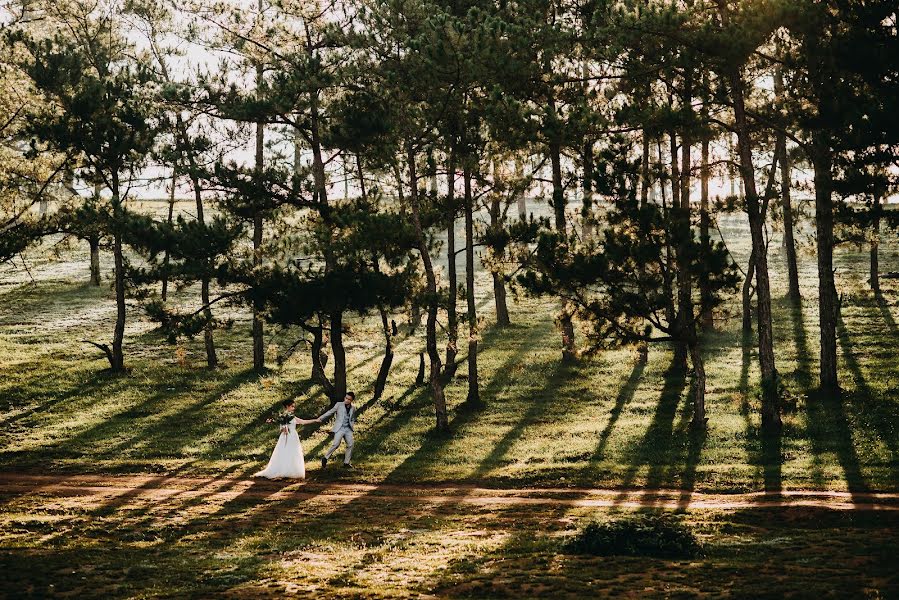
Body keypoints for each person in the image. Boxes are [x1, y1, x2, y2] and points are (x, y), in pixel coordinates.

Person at [254, 399, 317, 479]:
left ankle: (294, 470)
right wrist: (284, 427)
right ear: (287, 406)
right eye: (292, 406)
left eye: (294, 407)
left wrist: (315, 420)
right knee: (285, 451)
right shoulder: (283, 417)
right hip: (286, 436)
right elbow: (281, 429)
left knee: (294, 452)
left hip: (293, 436)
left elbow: (303, 422)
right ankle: (284, 470)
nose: (293, 408)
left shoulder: (292, 417)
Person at [317, 391, 356, 469]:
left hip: (348, 429)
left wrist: (352, 424)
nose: (346, 400)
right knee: (336, 444)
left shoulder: (353, 407)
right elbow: (330, 412)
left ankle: (346, 463)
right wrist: (320, 418)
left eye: (349, 399)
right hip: (340, 428)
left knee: (350, 444)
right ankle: (325, 458)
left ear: (351, 400)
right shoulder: (339, 404)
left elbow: (352, 418)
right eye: (346, 398)